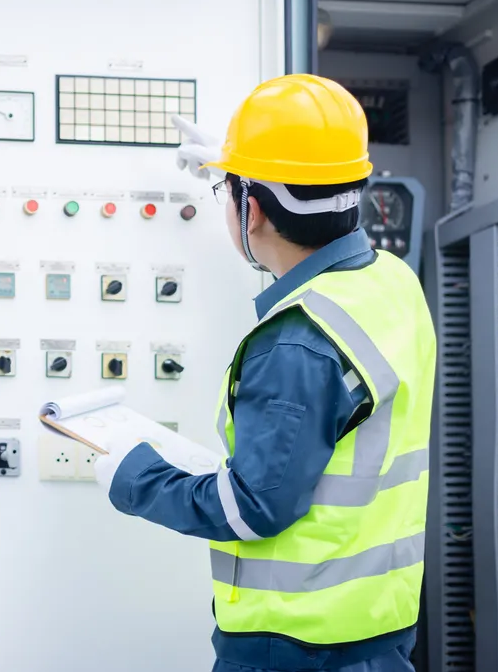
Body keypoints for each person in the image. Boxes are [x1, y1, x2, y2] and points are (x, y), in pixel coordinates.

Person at [93, 74, 437, 672]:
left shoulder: (297, 343)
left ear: (250, 210)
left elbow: (251, 509)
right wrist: (235, 175)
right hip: (378, 633)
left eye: (227, 193)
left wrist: (134, 475)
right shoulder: (392, 282)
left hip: (293, 647)